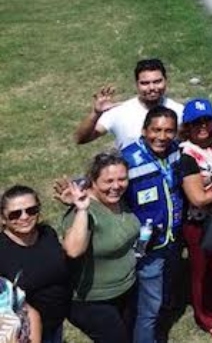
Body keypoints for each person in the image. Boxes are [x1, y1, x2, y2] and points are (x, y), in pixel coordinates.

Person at [59, 152, 140, 343]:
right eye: (108, 181)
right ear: (93, 182)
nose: (116, 186)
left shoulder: (120, 200)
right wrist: (81, 209)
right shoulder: (85, 213)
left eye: (122, 179)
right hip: (92, 301)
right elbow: (73, 250)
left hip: (126, 290)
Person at [119, 106, 184, 343]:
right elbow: (103, 187)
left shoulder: (176, 150)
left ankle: (156, 332)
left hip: (173, 238)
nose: (162, 136)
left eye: (169, 131)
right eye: (156, 130)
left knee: (165, 294)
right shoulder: (127, 159)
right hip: (147, 245)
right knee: (149, 306)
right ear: (144, 130)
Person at [177, 99, 212, 340]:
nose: (202, 126)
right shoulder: (187, 155)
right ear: (187, 126)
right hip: (199, 222)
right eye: (195, 122)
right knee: (203, 271)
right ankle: (209, 317)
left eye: (206, 120)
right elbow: (198, 198)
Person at [0, 186, 71, 343]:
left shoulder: (47, 233)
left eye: (31, 210)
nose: (24, 217)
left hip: (56, 324)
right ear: (3, 218)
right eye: (15, 214)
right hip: (24, 334)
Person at [74, 58, 184, 150]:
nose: (152, 88)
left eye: (157, 81)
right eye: (145, 83)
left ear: (166, 81)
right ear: (136, 84)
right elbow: (81, 139)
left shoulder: (180, 111)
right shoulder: (120, 112)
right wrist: (95, 113)